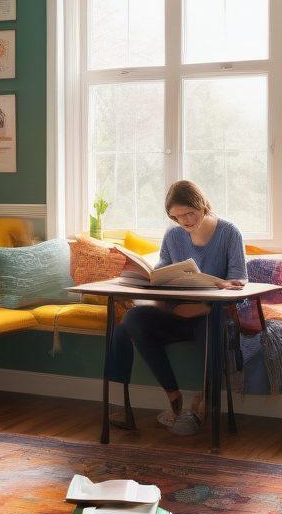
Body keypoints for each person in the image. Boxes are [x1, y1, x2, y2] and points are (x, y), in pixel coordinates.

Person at [105, 180, 247, 435]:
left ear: (202, 205)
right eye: (177, 216)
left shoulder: (229, 233)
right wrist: (149, 282)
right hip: (177, 313)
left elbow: (239, 282)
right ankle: (173, 395)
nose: (185, 221)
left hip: (210, 314)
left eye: (189, 213)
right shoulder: (173, 235)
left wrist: (203, 307)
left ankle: (202, 404)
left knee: (211, 329)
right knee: (133, 318)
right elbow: (163, 273)